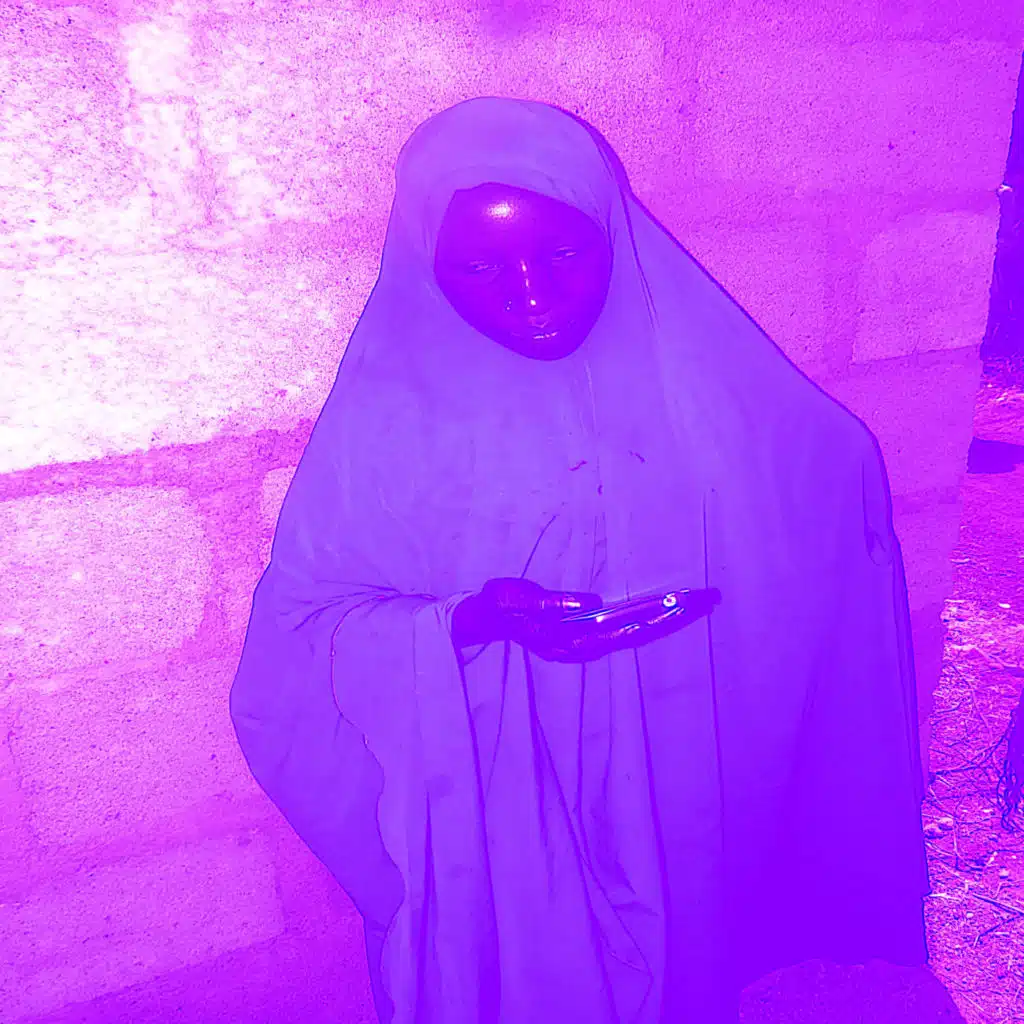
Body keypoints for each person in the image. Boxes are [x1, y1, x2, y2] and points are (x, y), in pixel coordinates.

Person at [229, 96, 932, 1023]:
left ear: (611, 235)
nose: (531, 293)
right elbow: (301, 639)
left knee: (688, 945)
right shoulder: (384, 428)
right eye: (480, 267)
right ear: (427, 265)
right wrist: (468, 625)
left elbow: (815, 471)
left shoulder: (692, 380)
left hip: (673, 751)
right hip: (508, 779)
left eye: (563, 253)